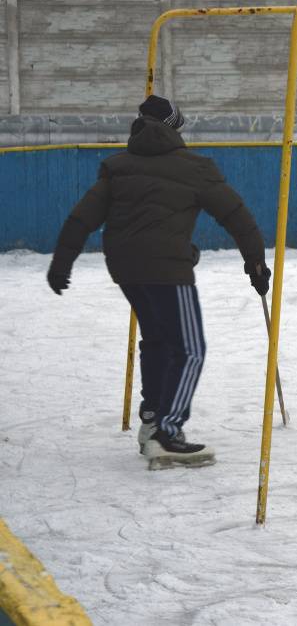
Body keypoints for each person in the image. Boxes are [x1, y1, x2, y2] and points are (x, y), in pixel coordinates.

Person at [47, 95, 270, 467]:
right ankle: (168, 431)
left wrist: (61, 264)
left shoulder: (118, 167)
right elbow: (237, 216)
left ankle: (152, 418)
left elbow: (80, 218)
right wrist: (256, 264)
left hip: (126, 269)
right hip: (167, 270)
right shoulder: (195, 168)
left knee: (159, 339)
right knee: (191, 348)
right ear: (175, 129)